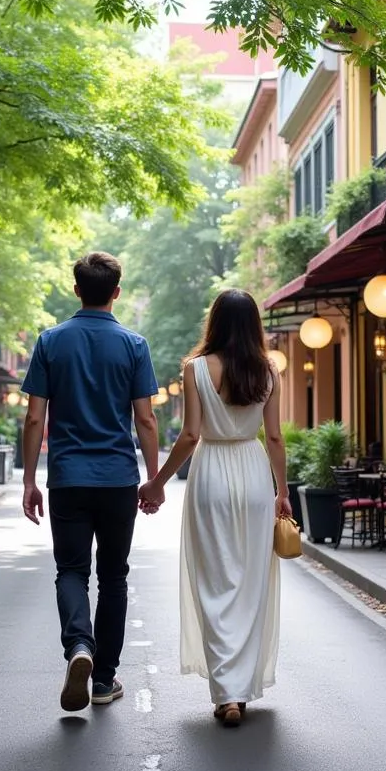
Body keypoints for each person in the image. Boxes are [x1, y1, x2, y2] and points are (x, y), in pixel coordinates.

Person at [138, 289, 289, 728]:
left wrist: (156, 483)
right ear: (254, 324)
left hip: (211, 474)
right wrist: (282, 491)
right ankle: (238, 687)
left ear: (215, 322)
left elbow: (189, 436)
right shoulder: (268, 370)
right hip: (254, 472)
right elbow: (275, 437)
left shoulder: (196, 369)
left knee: (214, 580)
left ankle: (227, 694)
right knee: (250, 582)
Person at [21, 252, 160, 712]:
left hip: (67, 478)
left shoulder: (50, 341)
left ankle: (79, 645)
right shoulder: (134, 345)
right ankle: (103, 680)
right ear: (116, 292)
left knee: (72, 571)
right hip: (118, 478)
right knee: (114, 576)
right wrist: (154, 479)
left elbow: (34, 418)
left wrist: (29, 481)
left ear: (76, 289)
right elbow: (146, 420)